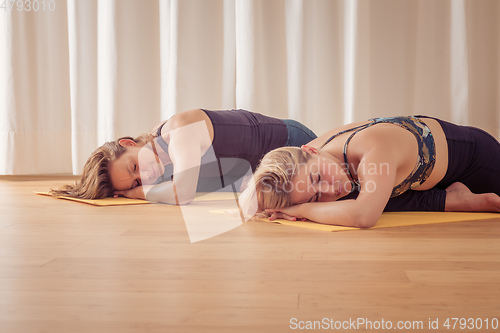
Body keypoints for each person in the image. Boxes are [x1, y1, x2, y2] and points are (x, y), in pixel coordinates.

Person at [246, 115, 500, 227]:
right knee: (351, 198)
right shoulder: (309, 156)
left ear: (310, 150)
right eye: (314, 196)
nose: (329, 189)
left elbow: (364, 217)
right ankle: (453, 198)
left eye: (318, 178)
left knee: (359, 204)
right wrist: (279, 206)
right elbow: (252, 200)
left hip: (478, 161)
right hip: (435, 178)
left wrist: (301, 209)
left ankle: (457, 197)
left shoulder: (371, 149)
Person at [51, 109, 317, 205]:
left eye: (133, 167)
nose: (144, 177)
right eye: (134, 183)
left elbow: (183, 194)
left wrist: (136, 193)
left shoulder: (179, 130)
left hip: (292, 145)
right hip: (269, 176)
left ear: (129, 143)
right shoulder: (159, 160)